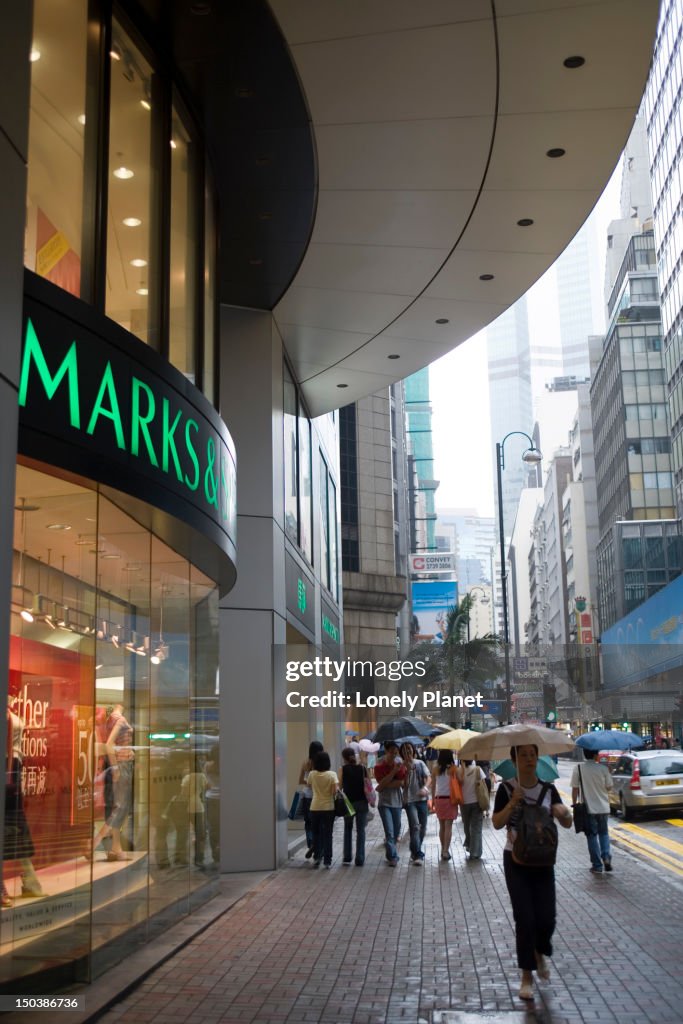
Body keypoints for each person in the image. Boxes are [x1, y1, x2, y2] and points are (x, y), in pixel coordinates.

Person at [492, 744, 572, 1001]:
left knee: (547, 918)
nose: (528, 759)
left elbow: (567, 821)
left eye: (532, 755)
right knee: (525, 918)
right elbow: (496, 823)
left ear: (538, 759)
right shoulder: (506, 789)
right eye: (523, 755)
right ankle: (527, 975)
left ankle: (540, 951)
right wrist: (512, 804)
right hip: (515, 859)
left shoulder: (549, 790)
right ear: (514, 760)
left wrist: (564, 812)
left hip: (544, 861)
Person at [3, 707, 45, 905]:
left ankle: (30, 879)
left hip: (14, 767)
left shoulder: (10, 710)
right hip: (6, 766)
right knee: (11, 822)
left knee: (16, 822)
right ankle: (29, 879)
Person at [87, 703, 134, 861]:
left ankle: (116, 848)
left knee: (119, 806)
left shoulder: (110, 720)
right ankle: (94, 844)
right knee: (121, 807)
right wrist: (116, 768)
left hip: (119, 764)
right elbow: (109, 745)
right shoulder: (119, 719)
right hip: (122, 765)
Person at [571, 748, 614, 874]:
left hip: (588, 809)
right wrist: (609, 772)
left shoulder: (578, 768)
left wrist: (575, 804)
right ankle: (606, 856)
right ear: (596, 755)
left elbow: (575, 789)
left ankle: (597, 865)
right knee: (604, 833)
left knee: (591, 836)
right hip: (603, 808)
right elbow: (609, 787)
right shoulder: (603, 769)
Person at [374, 741, 406, 866]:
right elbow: (380, 786)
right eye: (392, 751)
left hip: (397, 802)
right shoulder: (379, 767)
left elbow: (402, 783)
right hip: (384, 803)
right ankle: (393, 857)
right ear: (386, 751)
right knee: (389, 832)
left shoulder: (400, 765)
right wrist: (393, 773)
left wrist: (387, 782)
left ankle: (389, 854)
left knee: (397, 830)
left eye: (396, 751)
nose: (394, 754)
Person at [400, 742, 430, 865]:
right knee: (415, 826)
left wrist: (425, 789)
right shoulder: (401, 766)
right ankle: (418, 854)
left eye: (409, 749)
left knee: (422, 828)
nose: (408, 751)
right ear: (402, 753)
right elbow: (404, 785)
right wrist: (406, 770)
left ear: (413, 750)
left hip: (422, 799)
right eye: (405, 750)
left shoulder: (420, 763)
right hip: (409, 801)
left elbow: (429, 777)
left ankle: (414, 850)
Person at [308, 750, 338, 868]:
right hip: (328, 807)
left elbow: (309, 787)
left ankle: (316, 857)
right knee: (327, 834)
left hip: (314, 807)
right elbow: (334, 791)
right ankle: (327, 860)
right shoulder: (332, 775)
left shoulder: (312, 774)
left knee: (316, 833)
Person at [340, 747, 368, 866]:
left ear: (344, 758)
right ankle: (360, 858)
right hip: (362, 802)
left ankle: (347, 857)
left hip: (348, 803)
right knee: (360, 830)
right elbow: (368, 784)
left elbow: (339, 786)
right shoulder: (362, 768)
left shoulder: (342, 769)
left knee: (348, 828)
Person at [431, 749, 458, 861]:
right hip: (450, 799)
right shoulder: (452, 769)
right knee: (448, 827)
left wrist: (433, 799)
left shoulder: (435, 768)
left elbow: (433, 786)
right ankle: (446, 851)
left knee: (442, 826)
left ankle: (443, 849)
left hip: (439, 799)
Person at [456, 758, 486, 860]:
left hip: (464, 803)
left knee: (467, 825)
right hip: (476, 802)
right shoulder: (478, 769)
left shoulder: (459, 771)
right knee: (476, 828)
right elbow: (483, 783)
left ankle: (470, 846)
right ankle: (475, 852)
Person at [299, 740, 323, 860]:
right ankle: (317, 846)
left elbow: (300, 781)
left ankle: (311, 844)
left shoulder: (306, 763)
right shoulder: (322, 763)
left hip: (306, 797)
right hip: (318, 797)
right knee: (319, 825)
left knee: (308, 823)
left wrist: (308, 783)